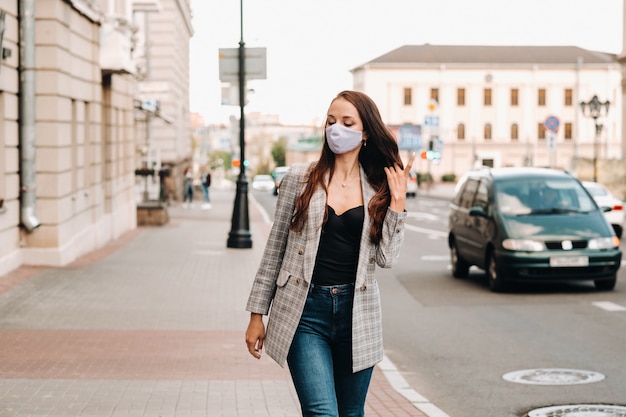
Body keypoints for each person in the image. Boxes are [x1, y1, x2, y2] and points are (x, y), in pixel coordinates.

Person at [245, 90, 415, 417]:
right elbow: (275, 247)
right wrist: (256, 314)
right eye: (331, 121)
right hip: (304, 311)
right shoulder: (300, 178)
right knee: (321, 411)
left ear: (365, 133)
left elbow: (387, 259)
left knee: (351, 413)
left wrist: (397, 203)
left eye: (347, 122)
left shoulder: (378, 187)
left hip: (357, 313)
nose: (336, 129)